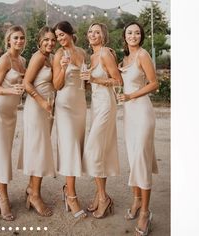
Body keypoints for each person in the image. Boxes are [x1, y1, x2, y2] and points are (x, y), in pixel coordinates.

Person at [118, 21, 159, 236]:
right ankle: (136, 201)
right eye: (129, 32)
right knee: (133, 160)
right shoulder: (124, 59)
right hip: (128, 115)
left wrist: (130, 96)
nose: (133, 35)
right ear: (124, 36)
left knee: (141, 161)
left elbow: (154, 83)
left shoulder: (143, 54)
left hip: (142, 112)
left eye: (136, 32)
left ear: (141, 36)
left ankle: (145, 212)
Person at [0, 25, 26, 221]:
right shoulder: (5, 59)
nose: (19, 41)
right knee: (1, 155)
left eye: (22, 38)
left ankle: (0, 189)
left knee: (5, 152)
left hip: (11, 113)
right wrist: (12, 90)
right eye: (15, 38)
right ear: (8, 40)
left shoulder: (23, 60)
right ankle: (3, 196)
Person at [81, 22, 123, 219]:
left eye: (96, 32)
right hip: (95, 105)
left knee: (93, 149)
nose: (92, 34)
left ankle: (103, 198)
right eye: (90, 31)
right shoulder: (91, 56)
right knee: (101, 151)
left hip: (106, 104)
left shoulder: (105, 53)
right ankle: (101, 196)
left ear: (103, 36)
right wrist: (86, 83)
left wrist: (95, 80)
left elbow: (117, 81)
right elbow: (93, 83)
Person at [52, 21, 87, 219]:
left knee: (78, 147)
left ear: (70, 33)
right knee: (70, 147)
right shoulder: (59, 55)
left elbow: (86, 79)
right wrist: (64, 69)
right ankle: (71, 196)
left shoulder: (82, 52)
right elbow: (56, 85)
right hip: (64, 105)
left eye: (61, 35)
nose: (59, 39)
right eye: (57, 36)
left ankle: (68, 188)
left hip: (80, 104)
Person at [22, 26, 57, 217]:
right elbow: (27, 83)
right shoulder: (38, 57)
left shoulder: (50, 58)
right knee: (40, 150)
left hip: (46, 109)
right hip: (37, 108)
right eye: (46, 40)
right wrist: (41, 100)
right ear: (39, 41)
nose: (50, 43)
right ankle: (35, 195)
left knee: (39, 149)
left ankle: (30, 188)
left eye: (53, 40)